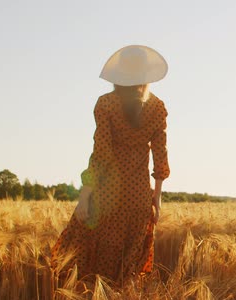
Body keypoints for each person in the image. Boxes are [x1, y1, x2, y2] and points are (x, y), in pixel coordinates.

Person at [51, 45, 170, 286]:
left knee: (93, 263)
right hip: (138, 197)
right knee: (128, 267)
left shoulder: (106, 104)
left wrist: (85, 195)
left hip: (107, 195)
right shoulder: (157, 108)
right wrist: (156, 197)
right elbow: (160, 156)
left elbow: (101, 155)